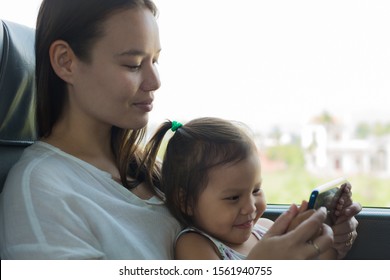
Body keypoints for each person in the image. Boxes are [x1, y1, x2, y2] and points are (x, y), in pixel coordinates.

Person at [0, 0, 360, 259]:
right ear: (66, 62)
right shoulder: (41, 190)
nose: (155, 81)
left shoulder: (150, 173)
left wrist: (319, 244)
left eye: (155, 60)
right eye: (133, 64)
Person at [142, 117, 360, 259]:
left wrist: (332, 236)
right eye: (233, 197)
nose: (250, 207)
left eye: (256, 190)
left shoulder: (264, 228)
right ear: (187, 202)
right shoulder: (195, 245)